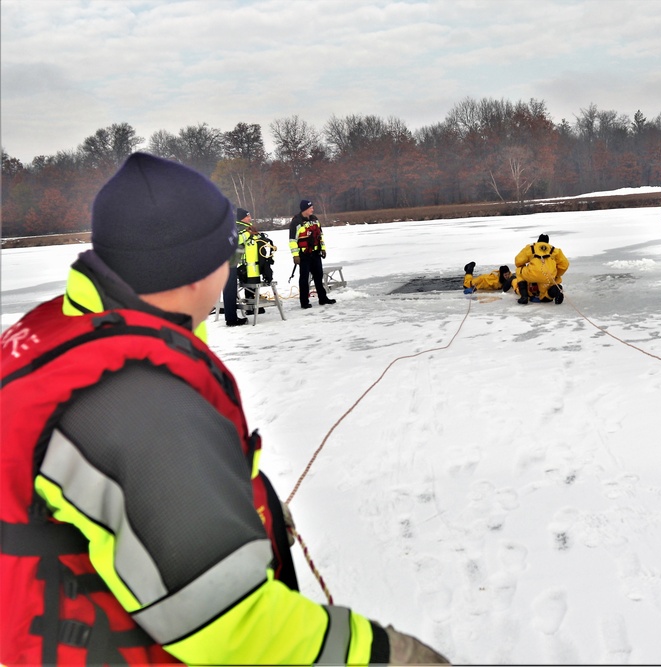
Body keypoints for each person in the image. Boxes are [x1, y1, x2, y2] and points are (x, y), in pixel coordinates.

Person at [0, 153, 447, 666]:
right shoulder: (141, 399)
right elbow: (228, 625)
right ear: (195, 270)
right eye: (226, 252)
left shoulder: (65, 328)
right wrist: (389, 654)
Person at [288, 199, 335, 309]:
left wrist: (323, 249)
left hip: (316, 253)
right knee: (304, 279)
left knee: (319, 276)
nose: (312, 209)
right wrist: (295, 255)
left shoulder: (315, 219)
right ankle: (304, 302)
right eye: (310, 208)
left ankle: (323, 298)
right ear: (305, 209)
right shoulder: (296, 222)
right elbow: (292, 240)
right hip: (304, 254)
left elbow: (320, 236)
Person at [236, 208, 277, 313]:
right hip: (246, 265)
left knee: (253, 285)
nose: (250, 218)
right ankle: (251, 307)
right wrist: (248, 233)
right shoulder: (238, 228)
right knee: (250, 286)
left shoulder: (247, 227)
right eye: (247, 216)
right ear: (242, 218)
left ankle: (254, 305)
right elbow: (238, 240)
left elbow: (258, 239)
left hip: (255, 263)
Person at [512, 234, 570, 305]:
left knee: (519, 270)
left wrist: (525, 267)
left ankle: (524, 296)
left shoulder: (531, 247)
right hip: (548, 277)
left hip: (532, 275)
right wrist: (556, 274)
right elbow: (565, 265)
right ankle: (550, 294)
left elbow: (518, 261)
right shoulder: (555, 250)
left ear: (538, 241)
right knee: (546, 291)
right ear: (548, 242)